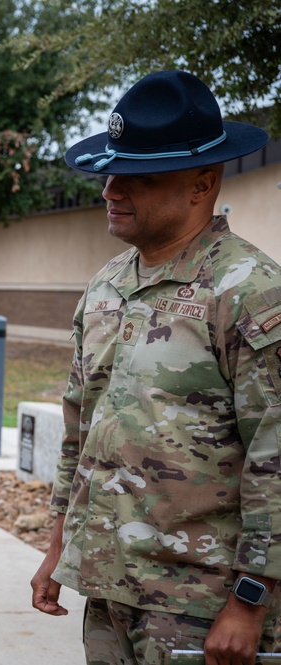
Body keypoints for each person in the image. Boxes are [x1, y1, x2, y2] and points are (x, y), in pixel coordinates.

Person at [30, 70, 281, 664]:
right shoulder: (106, 285)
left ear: (202, 183)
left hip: (203, 604)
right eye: (110, 171)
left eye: (138, 176)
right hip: (109, 587)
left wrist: (252, 598)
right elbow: (80, 428)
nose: (111, 188)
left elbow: (276, 458)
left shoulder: (249, 291)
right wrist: (58, 542)